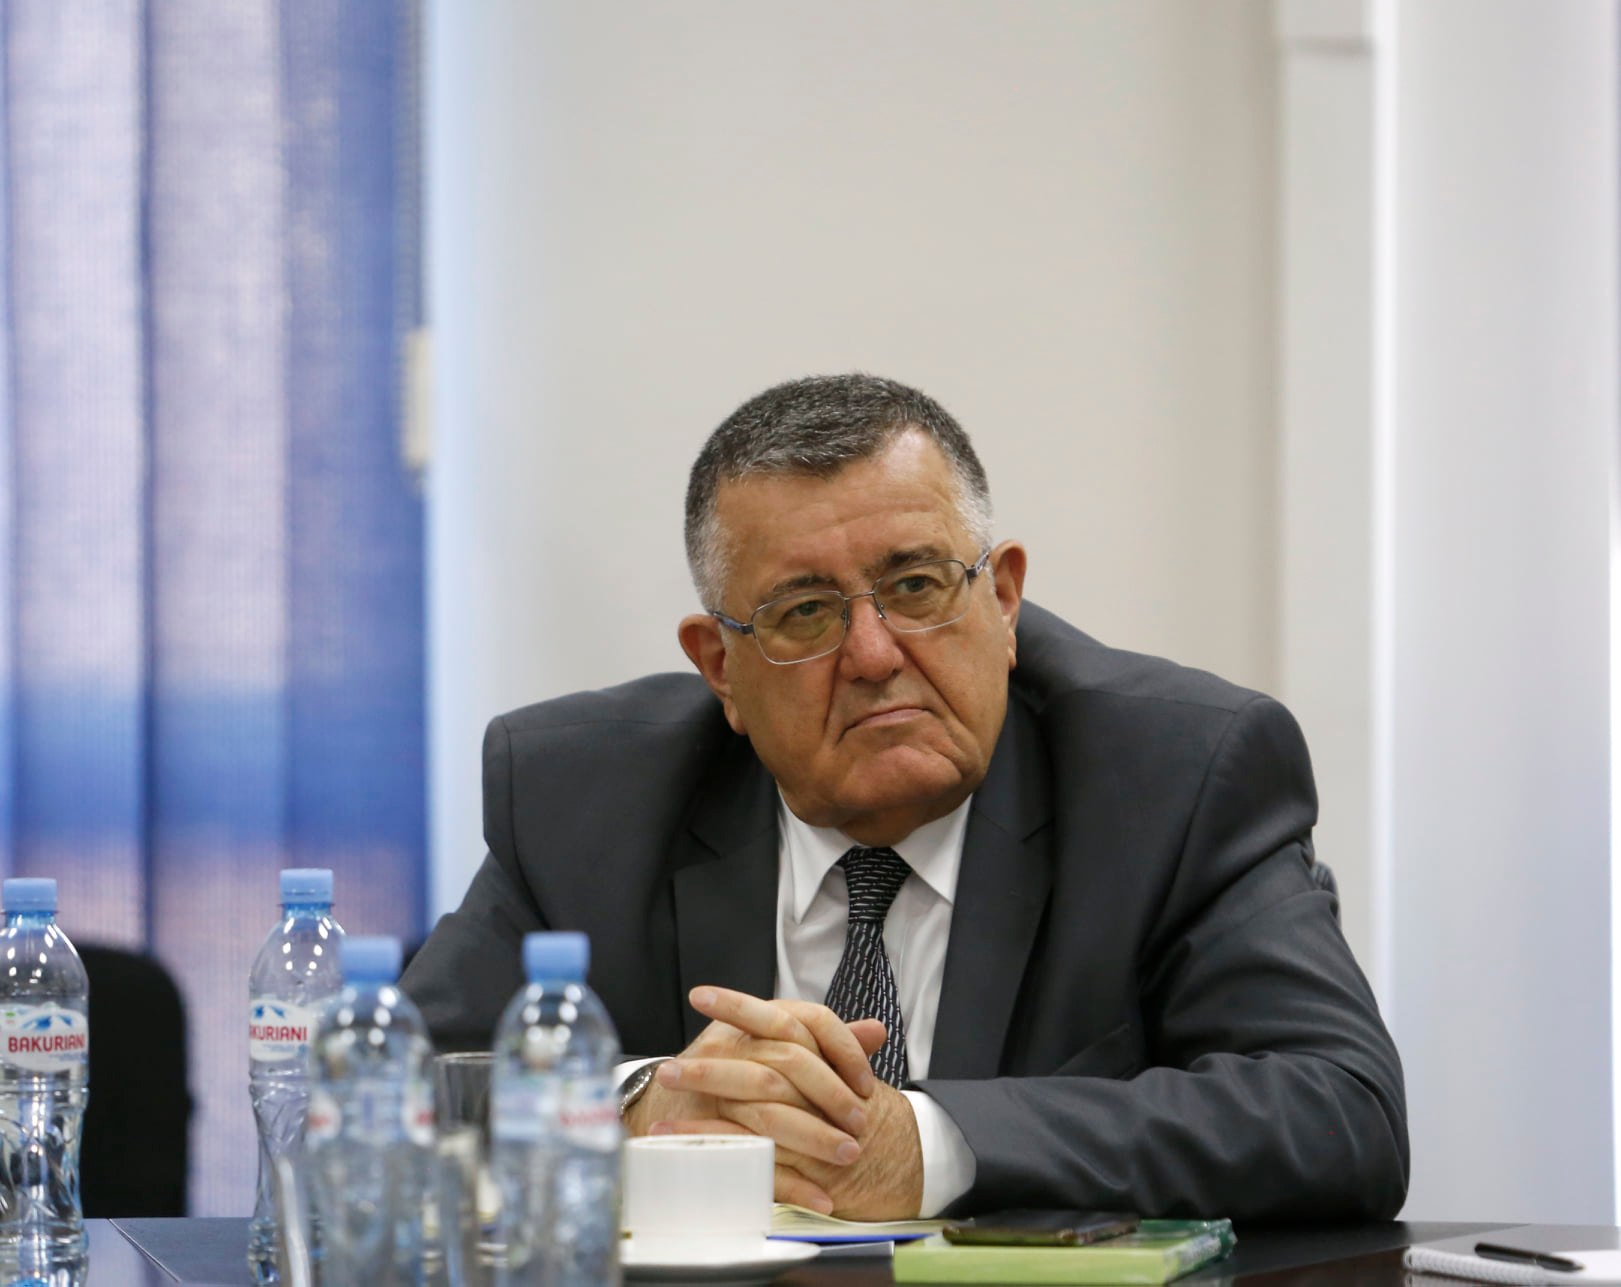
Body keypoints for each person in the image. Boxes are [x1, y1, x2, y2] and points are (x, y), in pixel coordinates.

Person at [401, 373, 1409, 1222]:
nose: (875, 654)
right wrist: (635, 1106)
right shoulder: (583, 798)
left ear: (1002, 601)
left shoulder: (1175, 773)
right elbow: (386, 1085)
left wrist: (927, 1145)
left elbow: (1339, 1108)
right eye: (805, 612)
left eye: (918, 586)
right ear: (720, 669)